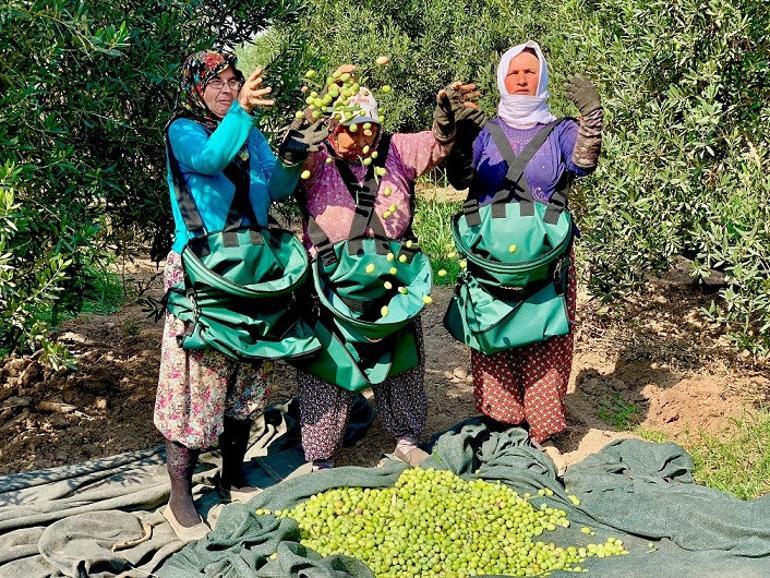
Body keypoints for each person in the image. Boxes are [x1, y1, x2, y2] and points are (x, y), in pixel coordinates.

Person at [155, 49, 326, 540]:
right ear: (197, 89)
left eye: (234, 80)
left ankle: (234, 473)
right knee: (197, 381)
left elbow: (273, 187)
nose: (228, 89)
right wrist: (244, 112)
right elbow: (211, 160)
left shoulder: (245, 130)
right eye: (219, 82)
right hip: (202, 270)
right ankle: (180, 494)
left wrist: (294, 153)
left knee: (249, 369)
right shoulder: (183, 130)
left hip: (252, 266)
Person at [296, 66, 479, 471]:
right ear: (332, 127)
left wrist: (445, 118)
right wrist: (319, 104)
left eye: (369, 127)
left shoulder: (395, 150)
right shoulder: (317, 158)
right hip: (331, 283)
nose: (361, 136)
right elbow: (286, 162)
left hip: (391, 281)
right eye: (350, 127)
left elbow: (437, 144)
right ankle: (321, 454)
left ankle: (406, 437)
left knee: (402, 359)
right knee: (329, 365)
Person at [448, 41, 603, 463]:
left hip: (545, 256)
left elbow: (585, 163)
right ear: (502, 78)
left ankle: (542, 428)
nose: (521, 79)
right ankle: (502, 421)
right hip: (490, 255)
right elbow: (459, 176)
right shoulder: (483, 130)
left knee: (545, 336)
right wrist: (458, 135)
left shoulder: (561, 130)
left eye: (530, 72)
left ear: (542, 78)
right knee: (492, 332)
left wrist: (592, 117)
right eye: (514, 72)